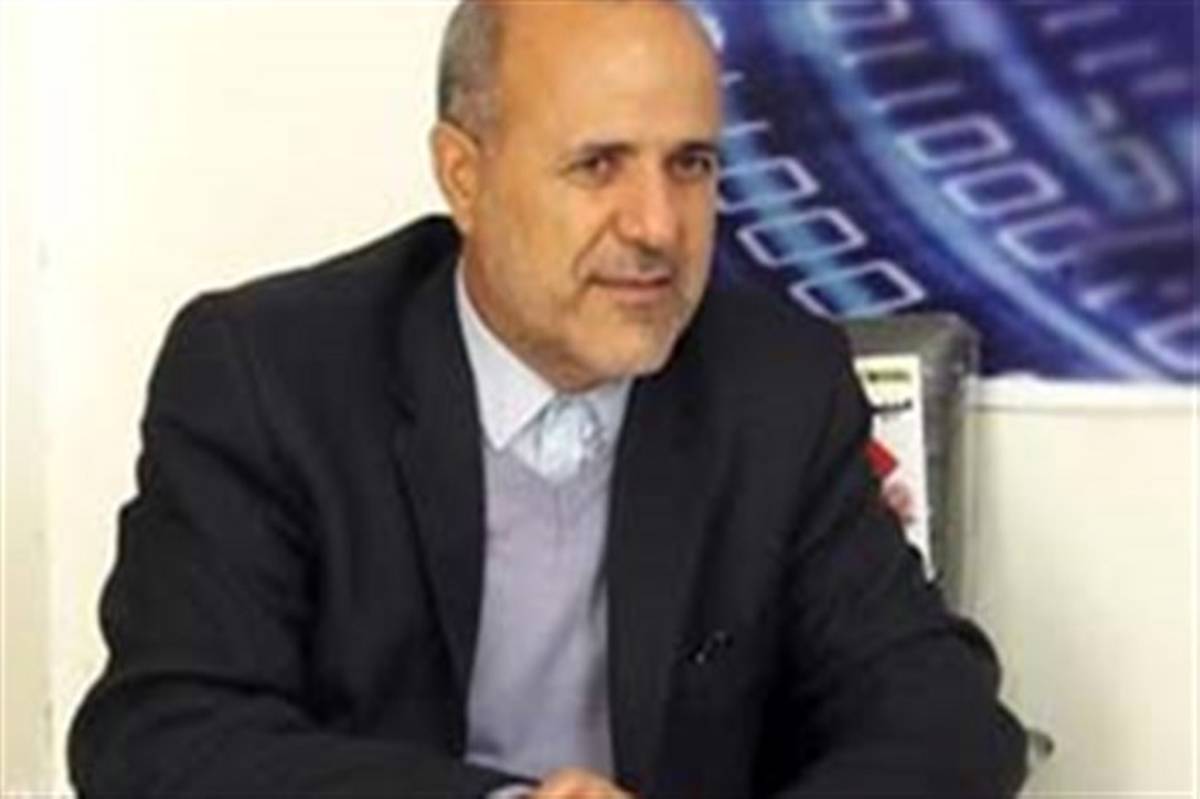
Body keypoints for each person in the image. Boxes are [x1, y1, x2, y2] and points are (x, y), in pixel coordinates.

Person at [68, 1, 1028, 797]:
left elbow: (944, 717)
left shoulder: (777, 387)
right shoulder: (269, 375)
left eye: (690, 165)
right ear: (464, 177)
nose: (657, 226)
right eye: (598, 164)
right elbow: (160, 735)